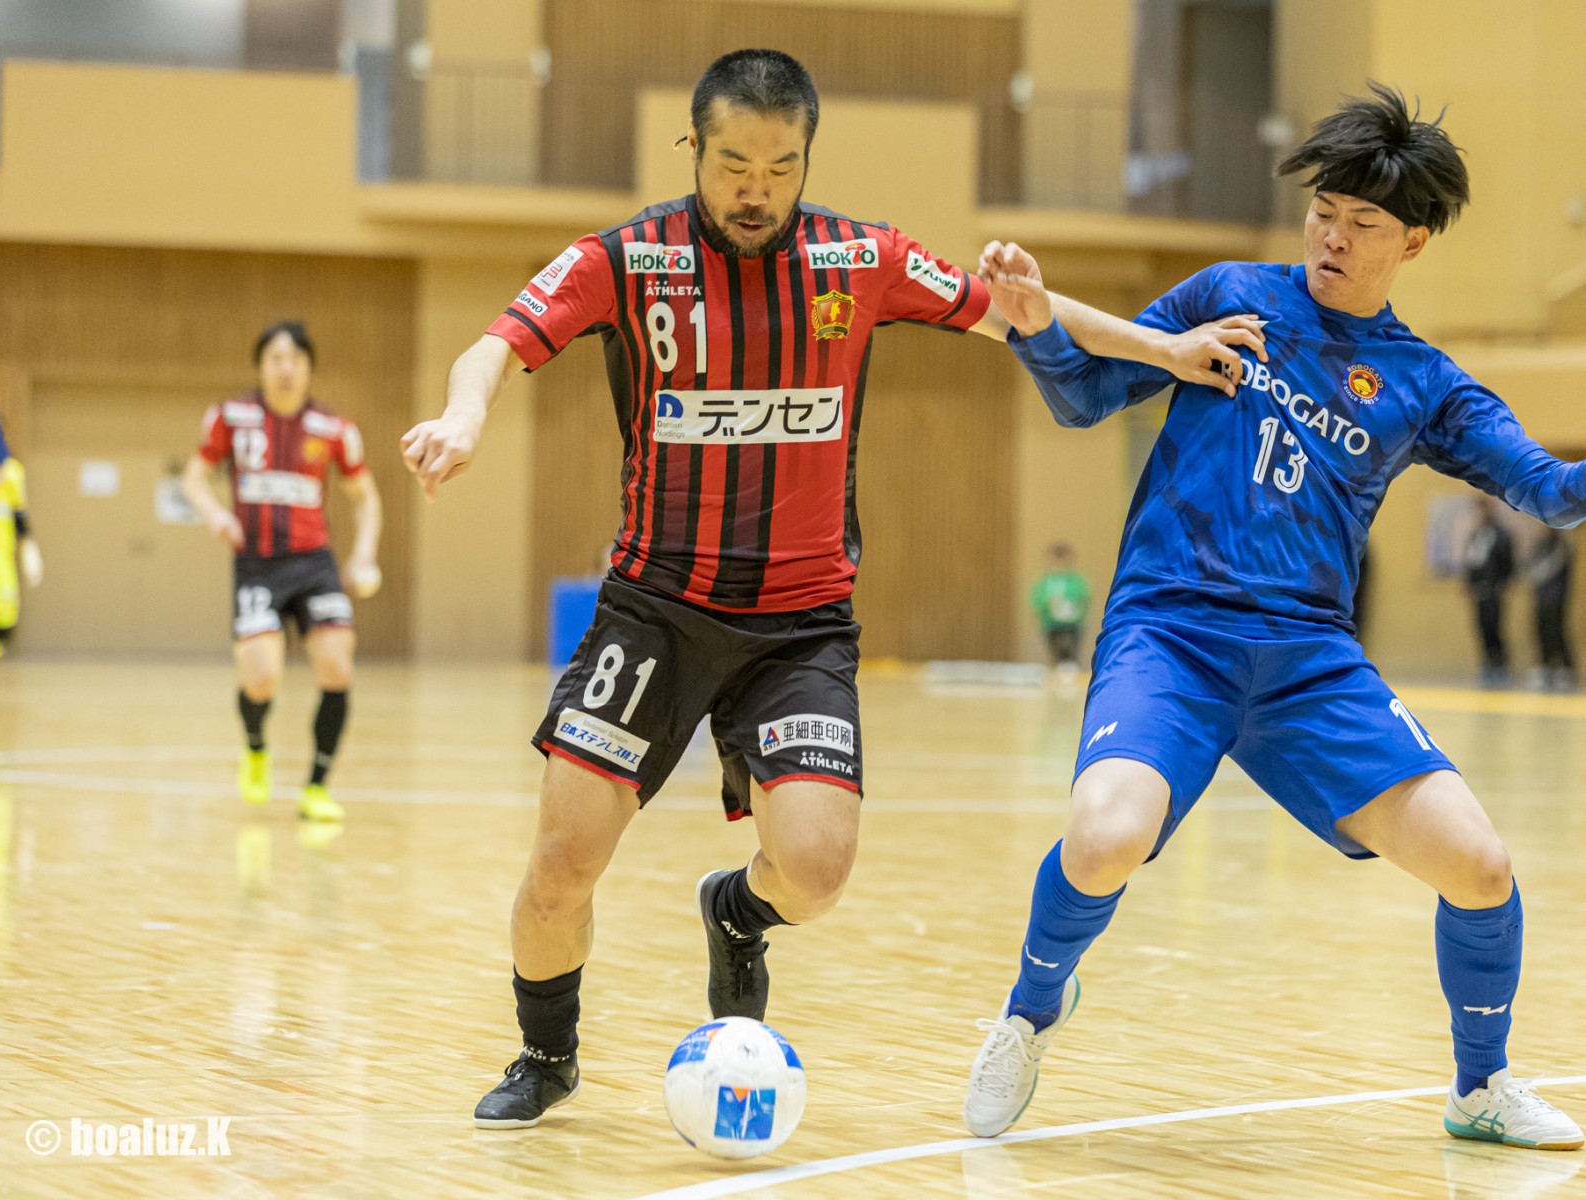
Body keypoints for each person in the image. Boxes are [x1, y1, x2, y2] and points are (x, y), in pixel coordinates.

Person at [962, 84, 1586, 1152]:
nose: (1333, 236)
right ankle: (1029, 1012)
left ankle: (1481, 1087)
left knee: (1480, 867)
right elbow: (1084, 396)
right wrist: (1039, 329)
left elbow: (1540, 487)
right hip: (1172, 634)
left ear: (1412, 241)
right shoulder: (1232, 293)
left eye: (1363, 223)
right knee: (1102, 841)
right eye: (1323, 211)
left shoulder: (1423, 382)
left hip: (1308, 664)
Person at [400, 48, 1080, 1130]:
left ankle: (736, 911)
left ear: (807, 155)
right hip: (654, 611)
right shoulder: (627, 259)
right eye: (733, 166)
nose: (756, 190)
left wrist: (1166, 349)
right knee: (561, 868)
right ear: (694, 147)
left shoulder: (862, 259)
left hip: (799, 627)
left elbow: (1023, 314)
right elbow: (495, 345)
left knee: (815, 871)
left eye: (780, 166)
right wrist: (464, 413)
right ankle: (547, 1054)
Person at [181, 322, 382, 824]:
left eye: (295, 359)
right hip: (256, 565)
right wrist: (216, 515)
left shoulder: (334, 430)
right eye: (275, 358)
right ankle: (255, 746)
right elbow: (194, 478)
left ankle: (316, 788)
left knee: (337, 667)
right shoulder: (231, 417)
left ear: (309, 368)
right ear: (261, 366)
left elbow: (366, 498)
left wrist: (363, 554)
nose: (286, 368)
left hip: (314, 565)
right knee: (261, 679)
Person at [0, 455, 45, 709]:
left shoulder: (12, 472)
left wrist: (31, 552)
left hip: (1, 562)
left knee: (6, 618)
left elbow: (19, 517)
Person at [1463, 496, 1515, 687]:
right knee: (1482, 627)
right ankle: (1487, 663)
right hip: (1479, 590)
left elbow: (1508, 562)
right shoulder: (1476, 535)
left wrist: (1504, 582)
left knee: (1495, 627)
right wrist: (1469, 583)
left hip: (1493, 588)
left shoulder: (1501, 535)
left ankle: (1500, 665)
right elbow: (1471, 562)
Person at [1524, 529, 1575, 691]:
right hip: (1541, 598)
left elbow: (1549, 568)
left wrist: (1535, 574)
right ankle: (1545, 666)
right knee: (1541, 632)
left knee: (1556, 631)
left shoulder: (1562, 546)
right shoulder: (1541, 545)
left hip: (1556, 597)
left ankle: (1565, 667)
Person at [1031, 543, 1090, 670]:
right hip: (1051, 625)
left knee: (1071, 655)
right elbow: (1037, 602)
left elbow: (1084, 600)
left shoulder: (1076, 581)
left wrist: (1075, 611)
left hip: (1073, 625)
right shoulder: (1044, 582)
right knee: (1055, 655)